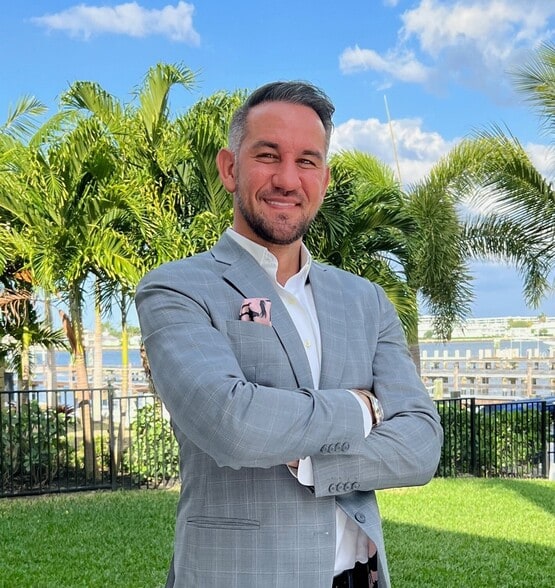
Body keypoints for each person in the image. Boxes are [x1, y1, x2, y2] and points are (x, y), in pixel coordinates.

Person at [135, 81, 443, 588]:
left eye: (306, 161)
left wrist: (313, 463)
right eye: (267, 155)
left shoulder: (365, 300)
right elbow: (233, 424)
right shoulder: (176, 288)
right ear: (230, 168)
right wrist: (364, 409)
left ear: (323, 177)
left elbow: (421, 445)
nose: (287, 178)